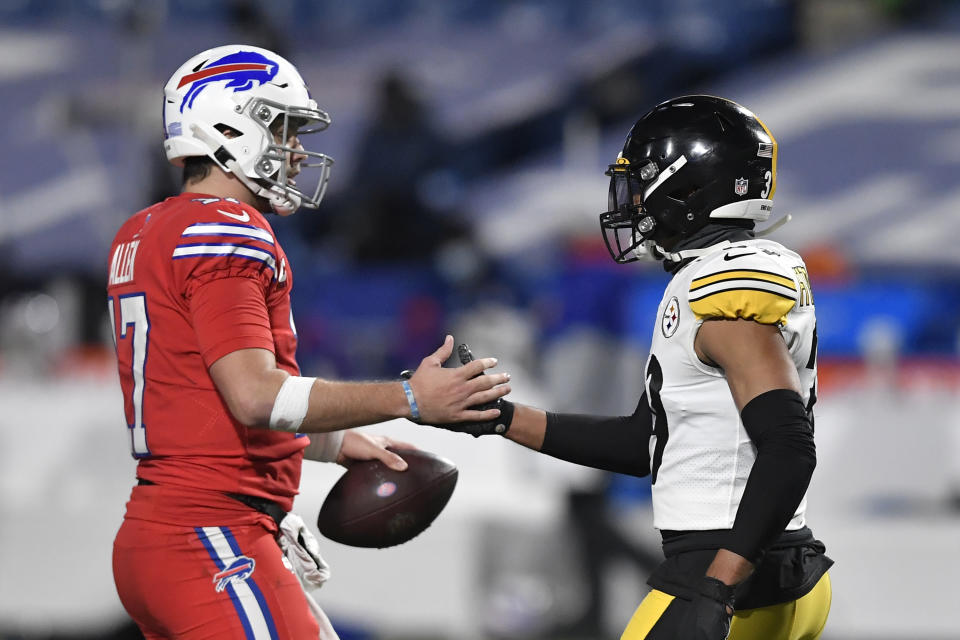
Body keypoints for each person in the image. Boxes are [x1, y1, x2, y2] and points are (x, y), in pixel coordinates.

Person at [107, 44, 509, 640]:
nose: (296, 151)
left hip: (165, 531)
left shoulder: (143, 230)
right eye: (283, 129)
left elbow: (202, 401)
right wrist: (410, 397)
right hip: (211, 534)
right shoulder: (226, 229)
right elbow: (254, 397)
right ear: (228, 125)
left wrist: (333, 441)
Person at [430, 96, 833, 640]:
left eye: (641, 184)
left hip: (734, 574)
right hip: (761, 570)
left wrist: (716, 587)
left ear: (687, 189)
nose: (633, 202)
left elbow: (788, 448)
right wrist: (499, 417)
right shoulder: (706, 282)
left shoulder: (725, 293)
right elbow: (644, 442)